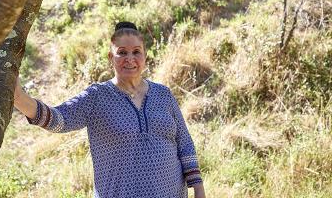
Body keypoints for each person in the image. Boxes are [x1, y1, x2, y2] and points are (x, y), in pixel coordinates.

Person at [14, 21, 206, 198]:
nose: (129, 59)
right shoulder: (97, 96)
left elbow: (184, 143)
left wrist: (198, 189)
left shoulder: (163, 94)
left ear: (145, 56)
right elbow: (60, 119)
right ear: (110, 57)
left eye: (136, 52)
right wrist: (20, 98)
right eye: (122, 52)